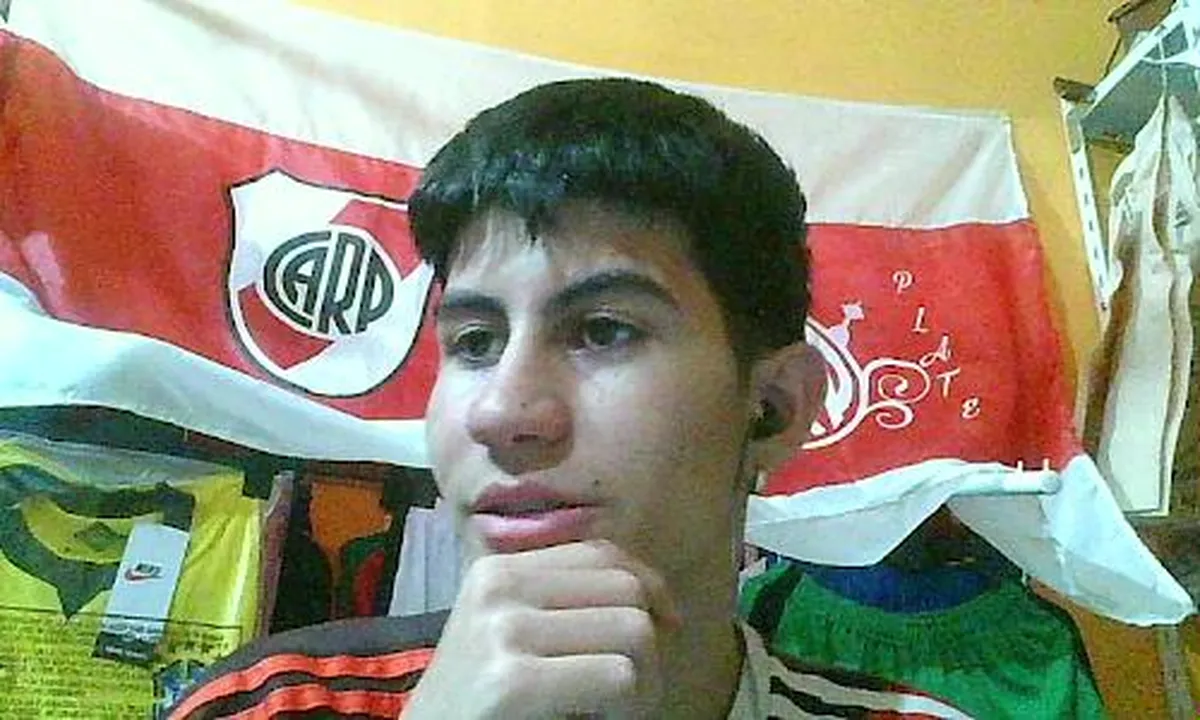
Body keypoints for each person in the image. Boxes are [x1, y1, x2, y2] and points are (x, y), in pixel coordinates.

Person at [169, 77, 970, 719]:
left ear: (773, 409)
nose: (499, 414)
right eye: (474, 342)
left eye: (604, 330)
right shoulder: (269, 706)